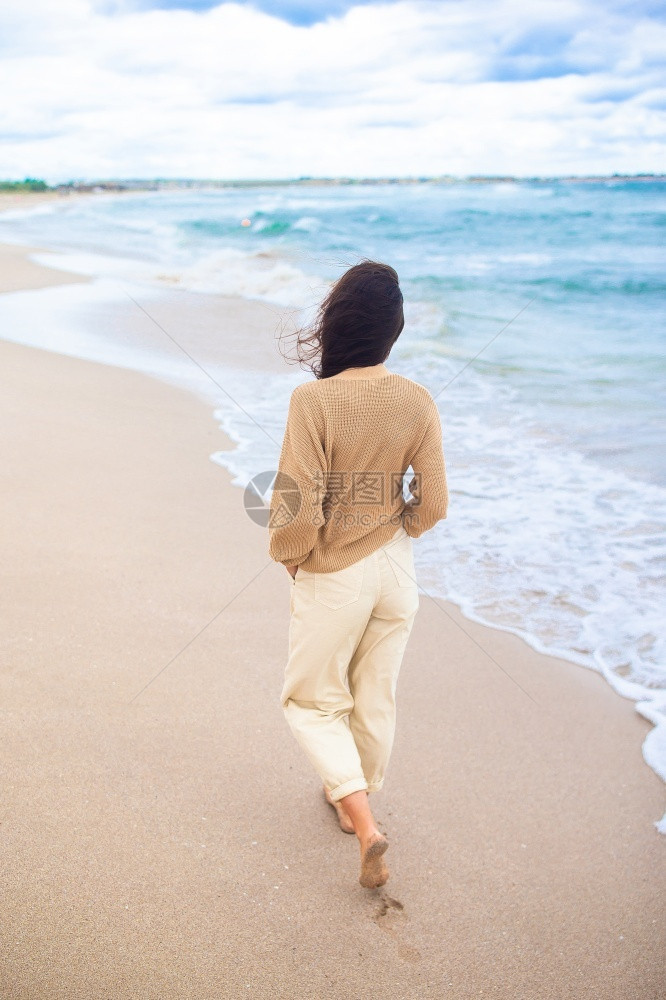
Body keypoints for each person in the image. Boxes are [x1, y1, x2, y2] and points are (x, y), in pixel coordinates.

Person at [268, 260, 449, 889]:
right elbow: (434, 502)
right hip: (397, 569)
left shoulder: (313, 399)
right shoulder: (417, 398)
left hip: (335, 569)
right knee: (375, 694)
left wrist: (292, 554)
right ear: (393, 331)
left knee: (313, 701)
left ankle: (366, 825)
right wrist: (398, 528)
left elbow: (296, 494)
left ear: (336, 324)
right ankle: (351, 802)